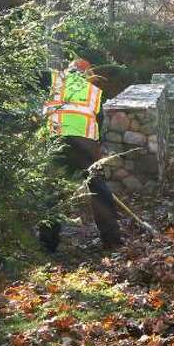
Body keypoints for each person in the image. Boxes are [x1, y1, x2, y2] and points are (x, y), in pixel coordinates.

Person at [42, 59, 123, 251]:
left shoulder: (55, 80)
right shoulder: (93, 90)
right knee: (98, 190)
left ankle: (48, 243)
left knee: (54, 190)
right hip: (85, 145)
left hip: (57, 141)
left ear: (68, 71)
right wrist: (97, 148)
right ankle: (111, 240)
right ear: (88, 74)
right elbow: (99, 121)